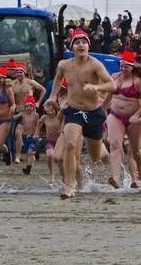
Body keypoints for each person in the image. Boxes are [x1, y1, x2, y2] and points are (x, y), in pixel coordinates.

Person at [46, 29, 116, 199]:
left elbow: (112, 85)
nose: (81, 45)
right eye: (77, 43)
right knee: (70, 145)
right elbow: (58, 79)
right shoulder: (64, 65)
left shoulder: (95, 64)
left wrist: (96, 87)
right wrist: (52, 96)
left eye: (84, 42)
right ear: (72, 47)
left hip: (93, 113)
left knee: (96, 157)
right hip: (74, 111)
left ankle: (106, 155)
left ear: (88, 46)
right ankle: (69, 188)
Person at [104, 50, 141, 189]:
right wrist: (100, 110)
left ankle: (138, 172)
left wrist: (137, 115)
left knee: (134, 150)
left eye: (126, 66)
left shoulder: (138, 81)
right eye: (122, 65)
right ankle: (115, 178)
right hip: (116, 115)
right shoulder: (114, 77)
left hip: (134, 119)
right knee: (114, 145)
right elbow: (108, 97)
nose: (123, 68)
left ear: (132, 67)